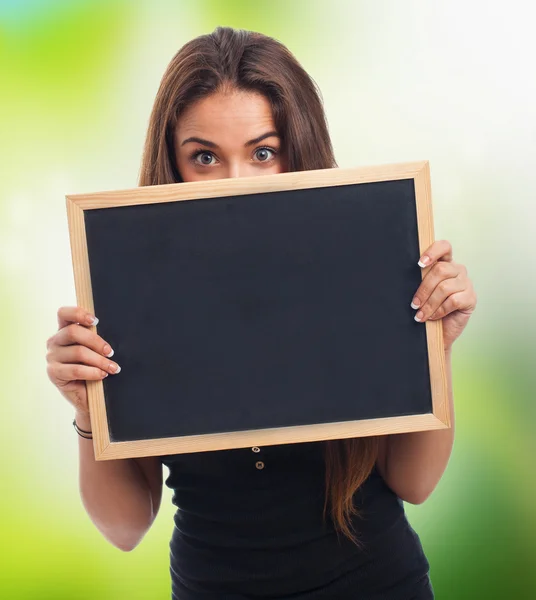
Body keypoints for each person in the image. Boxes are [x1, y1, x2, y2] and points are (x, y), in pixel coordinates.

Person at [46, 27, 477, 599]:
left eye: (263, 153)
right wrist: (87, 410)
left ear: (297, 152)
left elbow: (415, 483)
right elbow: (125, 528)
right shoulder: (133, 292)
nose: (234, 184)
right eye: (204, 157)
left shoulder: (363, 262)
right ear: (172, 163)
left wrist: (435, 347)